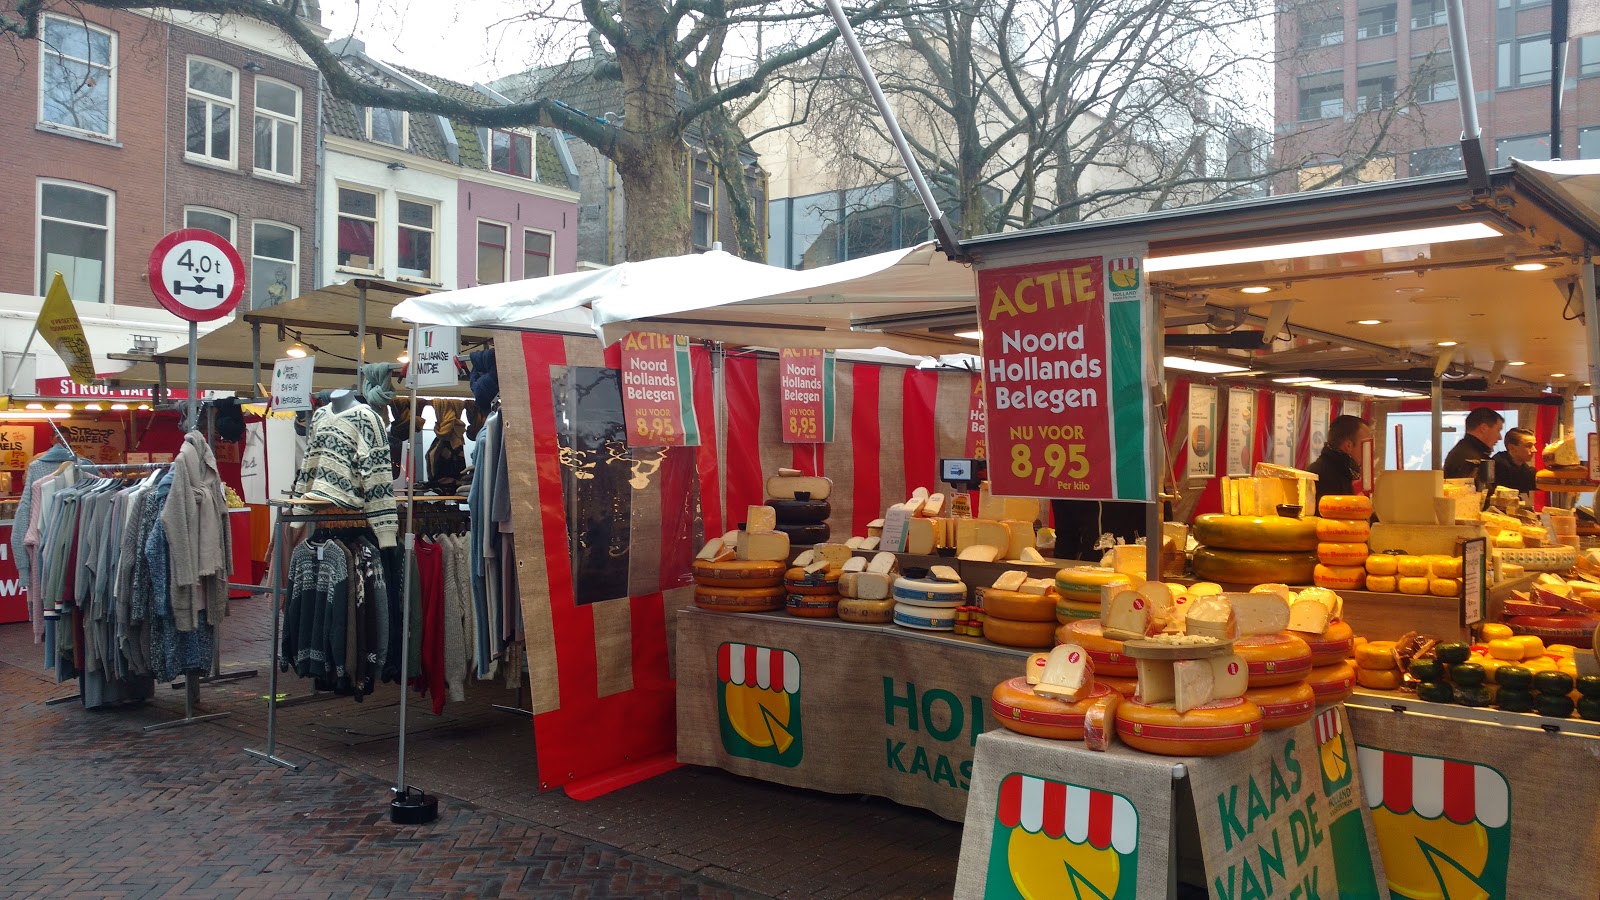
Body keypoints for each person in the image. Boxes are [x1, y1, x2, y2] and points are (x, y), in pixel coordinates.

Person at [1307, 415, 1372, 502]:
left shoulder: (1344, 471)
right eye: (1365, 445)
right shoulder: (1322, 476)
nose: (1368, 451)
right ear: (1348, 446)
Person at [1443, 408, 1504, 480]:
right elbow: (1481, 490)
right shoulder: (1472, 460)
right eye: (1498, 430)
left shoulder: (1463, 450)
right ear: (1484, 428)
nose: (1500, 437)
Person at [1492, 427, 1537, 494]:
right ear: (1512, 448)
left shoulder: (1523, 468)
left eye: (1534, 445)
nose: (1535, 450)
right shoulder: (1496, 467)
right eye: (1528, 446)